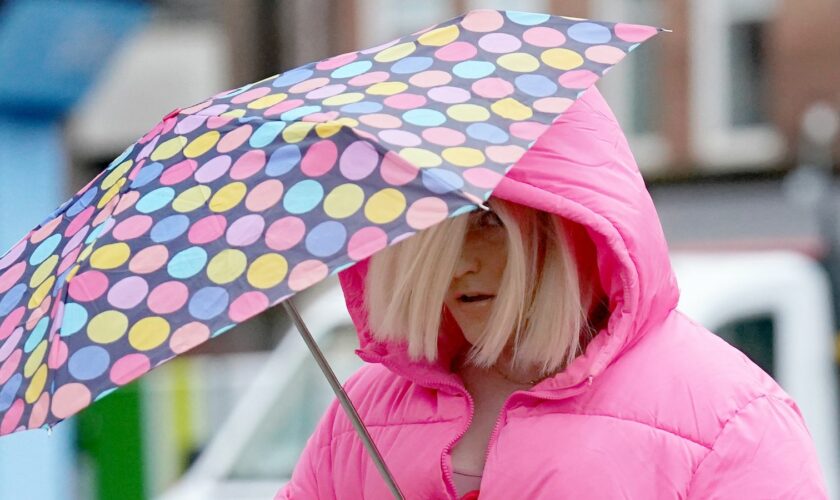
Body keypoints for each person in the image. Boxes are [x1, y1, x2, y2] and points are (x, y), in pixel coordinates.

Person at [276, 86, 828, 499]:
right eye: (430, 230)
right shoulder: (365, 412)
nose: (457, 267)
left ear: (570, 228)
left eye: (489, 223)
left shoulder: (730, 419)